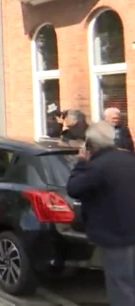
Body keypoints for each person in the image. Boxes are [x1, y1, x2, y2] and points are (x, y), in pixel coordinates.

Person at [67, 122, 135, 305]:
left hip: (115, 238)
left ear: (91, 145)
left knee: (121, 288)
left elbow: (73, 188)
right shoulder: (129, 159)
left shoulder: (97, 167)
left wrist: (80, 163)